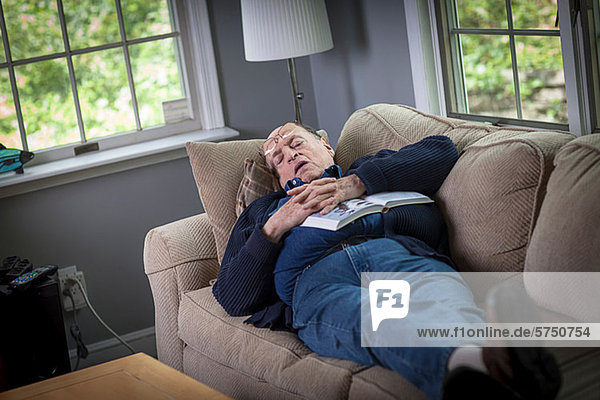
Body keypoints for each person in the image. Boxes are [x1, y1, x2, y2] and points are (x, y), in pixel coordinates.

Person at [212, 121, 560, 400]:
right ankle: (490, 366)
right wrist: (275, 225)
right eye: (277, 158)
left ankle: (487, 366)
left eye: (295, 142)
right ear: (278, 177)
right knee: (378, 317)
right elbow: (232, 295)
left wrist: (355, 183)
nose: (287, 155)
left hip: (401, 256)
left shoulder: (370, 168)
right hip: (317, 280)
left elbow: (442, 150)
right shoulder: (264, 212)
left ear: (326, 146)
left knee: (440, 303)